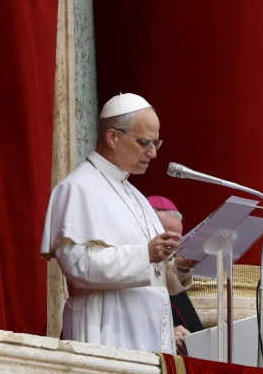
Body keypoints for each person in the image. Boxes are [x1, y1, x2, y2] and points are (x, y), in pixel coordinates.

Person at [42, 93, 181, 353]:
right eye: (144, 142)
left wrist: (179, 266)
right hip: (106, 328)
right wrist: (145, 254)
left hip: (149, 333)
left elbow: (158, 274)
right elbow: (78, 266)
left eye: (156, 143)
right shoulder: (77, 188)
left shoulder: (137, 196)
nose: (152, 153)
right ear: (113, 137)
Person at [148, 195, 205, 349]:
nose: (174, 247)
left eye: (178, 241)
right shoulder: (130, 272)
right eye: (168, 238)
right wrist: (166, 333)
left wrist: (181, 268)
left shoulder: (174, 288)